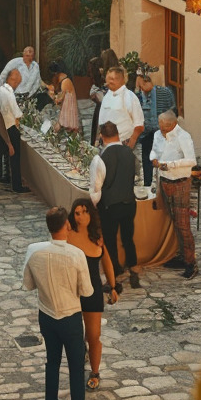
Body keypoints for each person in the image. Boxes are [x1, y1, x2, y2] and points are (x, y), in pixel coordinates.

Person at [22, 206, 95, 400]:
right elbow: (87, 290)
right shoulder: (76, 255)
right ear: (67, 226)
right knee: (76, 367)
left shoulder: (33, 251)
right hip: (70, 317)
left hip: (47, 315)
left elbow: (28, 284)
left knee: (52, 363)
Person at [67, 198, 117, 392]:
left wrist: (113, 286)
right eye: (77, 213)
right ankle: (82, 356)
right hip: (72, 290)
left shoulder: (97, 235)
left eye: (85, 212)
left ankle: (95, 372)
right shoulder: (68, 235)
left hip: (94, 290)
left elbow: (107, 262)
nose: (81, 216)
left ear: (91, 213)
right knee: (75, 334)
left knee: (94, 335)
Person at [89, 121, 142, 291]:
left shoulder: (100, 159)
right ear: (118, 134)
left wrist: (95, 205)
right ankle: (134, 271)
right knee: (128, 238)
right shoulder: (130, 153)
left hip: (110, 205)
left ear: (102, 137)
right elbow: (135, 175)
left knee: (110, 241)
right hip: (129, 202)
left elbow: (96, 188)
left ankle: (115, 277)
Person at [150, 109, 198, 279]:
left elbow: (192, 160)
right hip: (165, 182)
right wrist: (153, 159)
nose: (161, 130)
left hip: (180, 184)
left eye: (164, 128)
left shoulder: (183, 137)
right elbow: (154, 150)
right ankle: (180, 256)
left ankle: (191, 262)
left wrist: (169, 165)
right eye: (160, 127)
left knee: (183, 223)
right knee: (173, 221)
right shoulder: (158, 134)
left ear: (173, 125)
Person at [136, 72, 177, 185]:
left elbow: (173, 111)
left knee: (164, 162)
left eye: (143, 84)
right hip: (147, 135)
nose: (141, 87)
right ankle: (148, 186)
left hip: (163, 134)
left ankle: (165, 185)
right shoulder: (138, 97)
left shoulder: (165, 92)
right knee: (147, 161)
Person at [0, 69, 29, 192]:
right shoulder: (9, 93)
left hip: (3, 125)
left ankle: (6, 176)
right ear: (13, 80)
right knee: (15, 157)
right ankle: (16, 185)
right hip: (10, 126)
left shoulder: (1, 89)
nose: (17, 86)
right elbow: (17, 113)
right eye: (17, 83)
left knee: (7, 155)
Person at [96, 66, 144, 151]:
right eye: (108, 78)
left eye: (113, 79)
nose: (109, 81)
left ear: (122, 80)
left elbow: (139, 126)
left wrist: (129, 146)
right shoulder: (107, 96)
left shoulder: (130, 97)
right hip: (105, 144)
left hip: (124, 143)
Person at [49, 61, 80, 135]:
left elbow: (59, 100)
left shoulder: (65, 82)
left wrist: (52, 96)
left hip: (68, 109)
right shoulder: (65, 81)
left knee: (66, 129)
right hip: (66, 108)